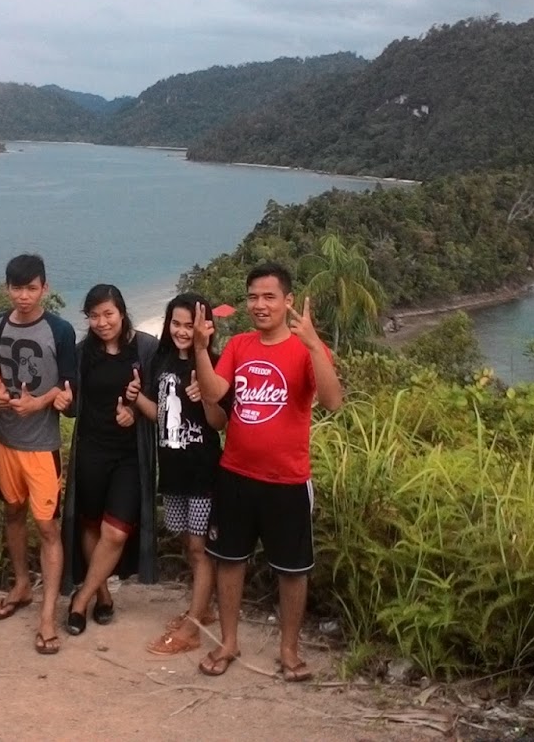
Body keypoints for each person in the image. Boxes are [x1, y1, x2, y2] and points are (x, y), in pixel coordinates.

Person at [190, 264, 342, 682]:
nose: (260, 305)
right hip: (235, 474)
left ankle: (289, 651)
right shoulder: (239, 345)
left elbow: (332, 402)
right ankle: (228, 642)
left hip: (288, 480)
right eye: (253, 297)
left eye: (269, 297)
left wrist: (314, 346)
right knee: (229, 561)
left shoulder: (307, 350)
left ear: (288, 301)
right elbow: (214, 394)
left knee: (293, 570)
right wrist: (201, 350)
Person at [0, 254, 77, 655]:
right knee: (12, 512)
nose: (24, 296)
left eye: (31, 288)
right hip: (5, 440)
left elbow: (69, 386)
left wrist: (39, 403)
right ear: (7, 288)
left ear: (45, 288)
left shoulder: (60, 330)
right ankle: (22, 584)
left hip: (42, 445)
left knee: (47, 527)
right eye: (17, 288)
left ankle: (47, 615)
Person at [62, 284, 160, 636]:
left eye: (108, 314)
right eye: (94, 315)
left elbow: (158, 399)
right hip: (91, 450)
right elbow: (73, 407)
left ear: (122, 312)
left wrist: (134, 410)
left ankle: (80, 599)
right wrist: (64, 402)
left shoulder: (145, 348)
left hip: (130, 455)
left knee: (115, 532)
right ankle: (102, 594)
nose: (102, 322)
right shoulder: (81, 353)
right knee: (90, 525)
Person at [134, 292, 226, 655]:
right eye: (176, 323)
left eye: (191, 325)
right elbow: (160, 416)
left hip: (203, 471)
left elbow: (218, 423)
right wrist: (135, 398)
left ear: (207, 328)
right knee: (189, 544)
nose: (183, 331)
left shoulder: (213, 364)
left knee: (200, 549)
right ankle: (204, 608)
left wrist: (206, 395)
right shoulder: (162, 361)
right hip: (173, 470)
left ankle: (193, 627)